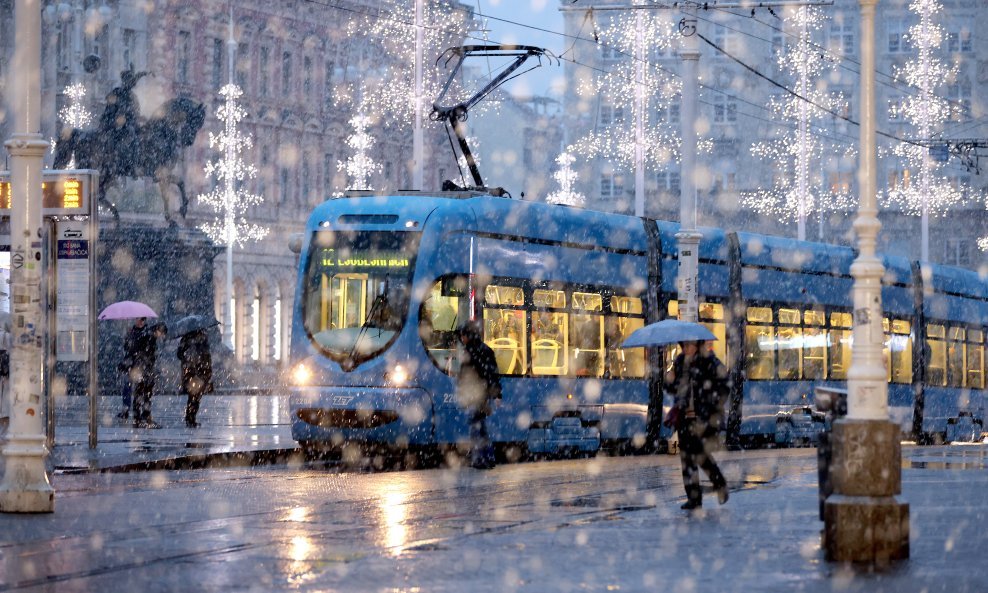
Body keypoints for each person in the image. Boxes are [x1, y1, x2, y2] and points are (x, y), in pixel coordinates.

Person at [665, 340, 730, 510]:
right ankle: (694, 498)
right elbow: (673, 390)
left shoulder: (709, 361)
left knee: (701, 455)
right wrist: (669, 381)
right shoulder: (679, 362)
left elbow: (725, 385)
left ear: (698, 345)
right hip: (685, 418)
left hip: (705, 417)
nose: (685, 349)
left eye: (689, 345)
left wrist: (712, 401)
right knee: (687, 459)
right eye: (683, 345)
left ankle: (720, 485)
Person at [456, 321, 502, 469]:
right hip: (482, 394)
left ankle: (479, 459)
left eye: (463, 335)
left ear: (468, 335)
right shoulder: (486, 350)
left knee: (475, 427)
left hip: (475, 395)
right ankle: (487, 457)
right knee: (480, 427)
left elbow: (465, 376)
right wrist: (496, 394)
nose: (462, 338)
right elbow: (492, 374)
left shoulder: (469, 352)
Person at [125, 318, 166, 429]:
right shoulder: (135, 334)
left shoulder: (147, 333)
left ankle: (144, 417)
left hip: (146, 368)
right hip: (139, 368)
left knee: (146, 394)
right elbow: (130, 349)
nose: (141, 321)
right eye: (139, 319)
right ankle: (139, 418)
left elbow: (151, 351)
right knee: (140, 393)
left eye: (143, 319)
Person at [177, 329, 213, 428]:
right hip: (195, 372)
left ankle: (190, 418)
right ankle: (190, 418)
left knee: (194, 397)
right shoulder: (197, 340)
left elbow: (180, 355)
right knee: (195, 397)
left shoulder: (191, 339)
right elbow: (206, 357)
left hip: (195, 372)